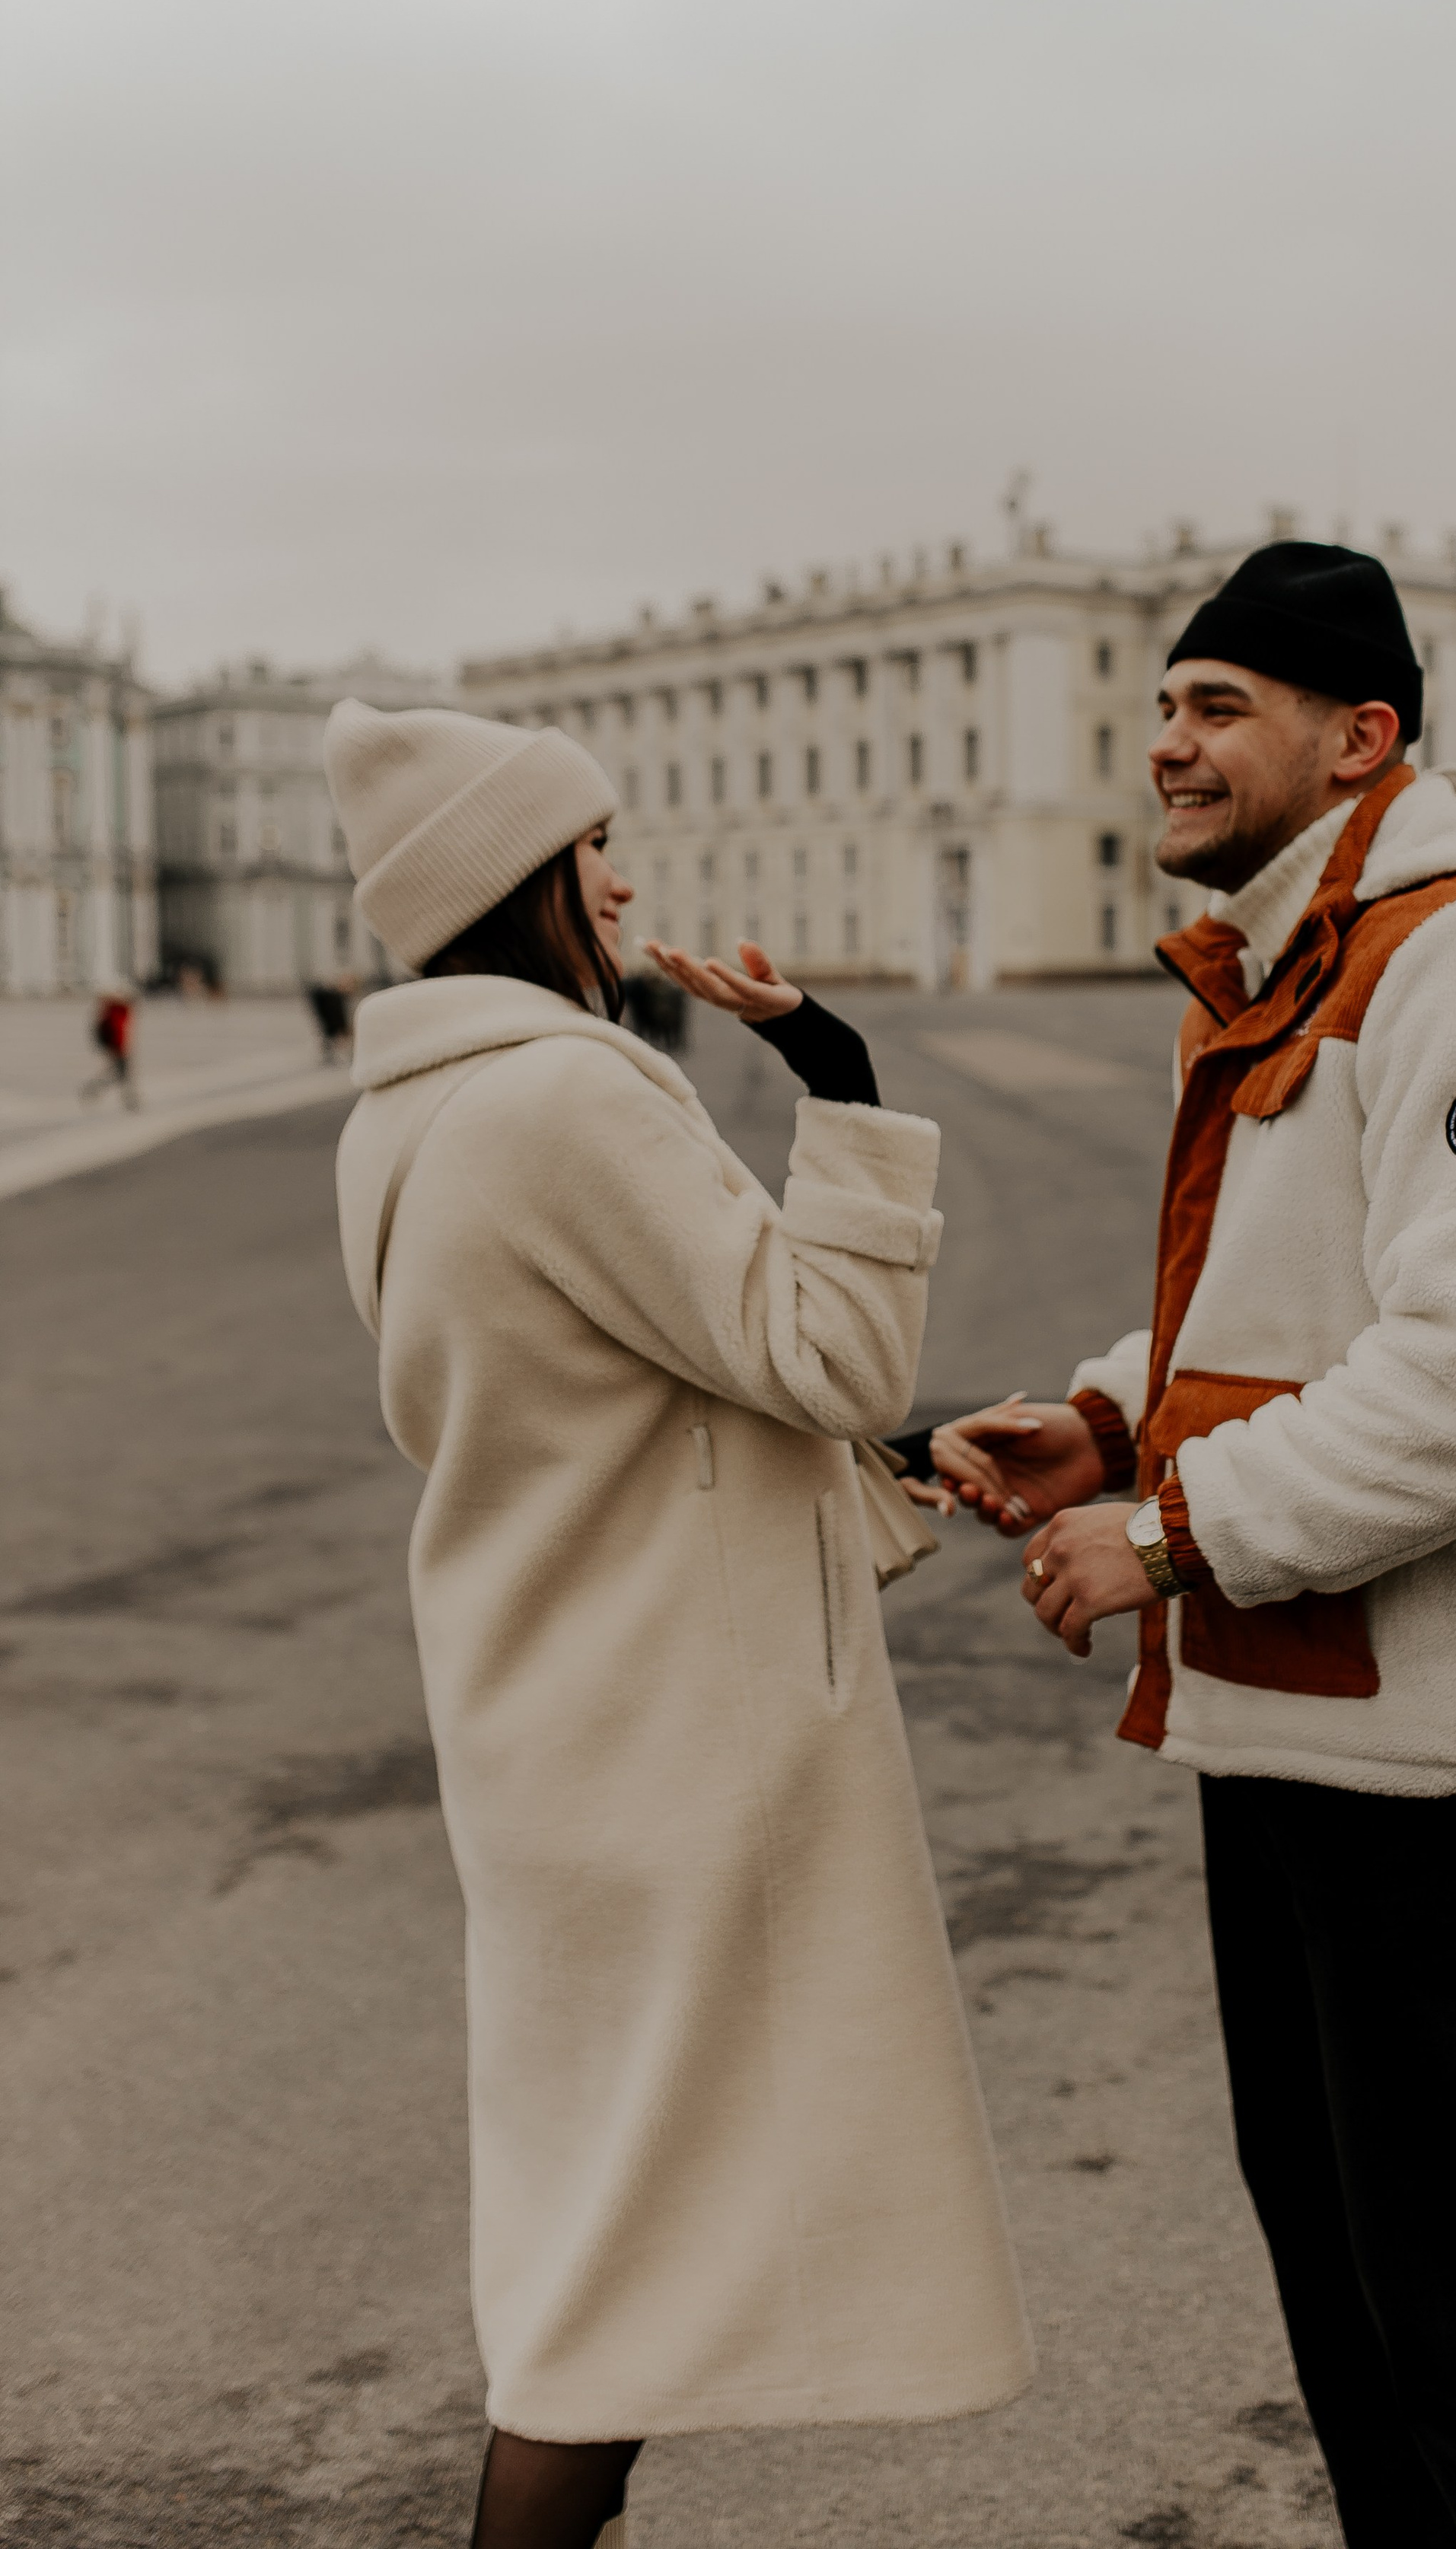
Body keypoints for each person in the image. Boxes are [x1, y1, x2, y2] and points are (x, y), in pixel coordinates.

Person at [929, 542, 1456, 2549]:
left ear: (1365, 737)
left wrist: (1167, 1538)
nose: (1167, 742)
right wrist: (1099, 1423)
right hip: (1301, 1728)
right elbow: (1292, 1309)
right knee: (1354, 2297)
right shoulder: (1309, 959)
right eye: (1163, 705)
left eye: (1217, 706)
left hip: (1429, 1763)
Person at [323, 700, 1029, 2549]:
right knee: (612, 2288)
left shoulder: (405, 1109)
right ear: (521, 878)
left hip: (559, 1704)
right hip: (670, 1740)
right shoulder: (561, 1090)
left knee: (619, 2240)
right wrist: (841, 1076)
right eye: (594, 844)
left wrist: (873, 1468)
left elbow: (607, 1405)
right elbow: (824, 1345)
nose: (622, 875)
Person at [80, 979, 139, 1107]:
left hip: (120, 1047)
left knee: (121, 1076)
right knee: (121, 1076)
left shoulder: (119, 1010)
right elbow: (109, 1031)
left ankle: (128, 1099)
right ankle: (94, 1090)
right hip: (117, 1048)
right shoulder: (114, 1012)